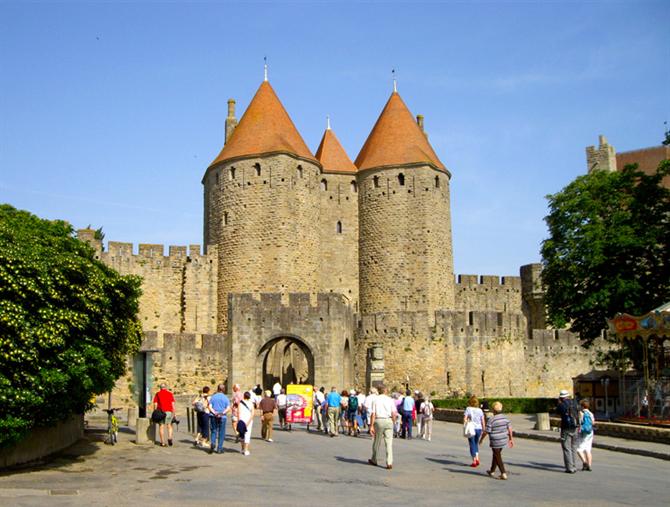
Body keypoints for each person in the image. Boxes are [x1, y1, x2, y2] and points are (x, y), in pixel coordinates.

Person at [479, 401, 513, 480]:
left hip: (495, 440)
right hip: (503, 439)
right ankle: (492, 471)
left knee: (497, 456)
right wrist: (511, 439)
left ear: (493, 410)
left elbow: (486, 431)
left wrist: (481, 439)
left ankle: (503, 473)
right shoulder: (505, 418)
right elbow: (510, 429)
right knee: (496, 455)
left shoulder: (492, 419)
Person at [368, 384, 397, 470]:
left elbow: (373, 413)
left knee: (377, 441)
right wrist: (393, 422)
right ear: (385, 391)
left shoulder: (375, 400)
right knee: (389, 443)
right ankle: (389, 462)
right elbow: (394, 413)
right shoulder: (390, 400)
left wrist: (371, 426)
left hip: (379, 420)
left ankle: (374, 459)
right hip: (388, 420)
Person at [556, 389, 579, 473]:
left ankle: (569, 468)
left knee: (566, 448)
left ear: (561, 397)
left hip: (566, 428)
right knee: (573, 447)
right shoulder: (574, 403)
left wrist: (559, 403)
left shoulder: (561, 405)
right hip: (575, 427)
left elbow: (557, 412)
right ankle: (574, 466)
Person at [208, 383, 231, 454]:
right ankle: (219, 448)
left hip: (213, 416)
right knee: (221, 432)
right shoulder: (226, 398)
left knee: (213, 430)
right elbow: (228, 408)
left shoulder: (213, 397)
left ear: (218, 389)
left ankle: (213, 443)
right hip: (222, 417)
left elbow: (210, 406)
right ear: (223, 390)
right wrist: (222, 413)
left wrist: (215, 413)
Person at [464, 395, 486, 467]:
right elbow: (482, 420)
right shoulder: (480, 410)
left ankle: (474, 460)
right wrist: (483, 428)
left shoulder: (468, 409)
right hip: (478, 429)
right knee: (476, 443)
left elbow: (465, 419)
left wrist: (467, 422)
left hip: (471, 428)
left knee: (472, 444)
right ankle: (477, 458)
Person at [577, 399, 594, 471]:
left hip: (583, 432)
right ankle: (589, 465)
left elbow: (579, 422)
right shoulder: (591, 413)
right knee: (588, 449)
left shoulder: (581, 413)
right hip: (590, 432)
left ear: (582, 406)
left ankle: (584, 462)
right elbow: (593, 423)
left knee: (579, 449)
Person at [237, 391, 255, 455]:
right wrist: (249, 421)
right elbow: (253, 413)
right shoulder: (251, 404)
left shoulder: (240, 403)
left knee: (242, 434)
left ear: (244, 396)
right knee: (247, 434)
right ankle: (246, 449)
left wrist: (239, 421)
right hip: (248, 421)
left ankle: (242, 448)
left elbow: (238, 412)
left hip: (242, 420)